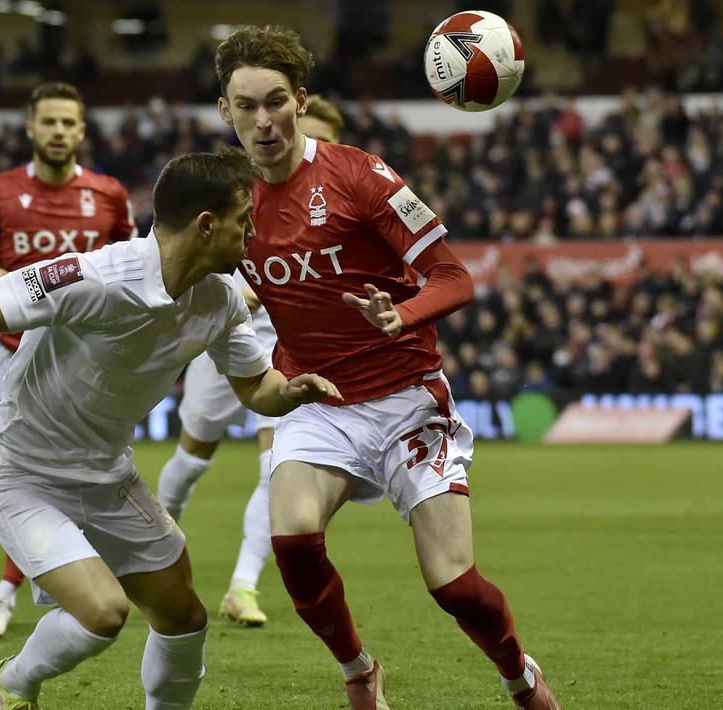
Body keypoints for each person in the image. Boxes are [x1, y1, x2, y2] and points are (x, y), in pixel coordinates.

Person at [0, 149, 341, 710]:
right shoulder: (95, 276)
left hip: (108, 476)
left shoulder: (220, 299)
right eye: (245, 220)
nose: (253, 233)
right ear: (207, 224)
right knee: (103, 612)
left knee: (184, 615)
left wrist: (295, 388)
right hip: (21, 474)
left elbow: (257, 389)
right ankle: (13, 682)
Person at [214, 25, 559, 710]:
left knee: (454, 586)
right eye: (245, 106)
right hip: (318, 399)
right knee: (292, 541)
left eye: (275, 102)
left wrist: (403, 315)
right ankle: (357, 669)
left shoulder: (358, 175)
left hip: (405, 398)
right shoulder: (223, 198)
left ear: (300, 100)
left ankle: (518, 674)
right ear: (224, 112)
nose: (263, 121)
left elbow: (453, 277)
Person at [0, 81, 138, 640]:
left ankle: (26, 585)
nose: (58, 131)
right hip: (13, 353)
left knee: (55, 472)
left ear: (82, 130)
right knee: (27, 470)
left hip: (85, 355)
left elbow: (126, 258)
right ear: (30, 128)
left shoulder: (108, 195)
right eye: (48, 122)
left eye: (67, 123)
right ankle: (13, 589)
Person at [154, 93, 347, 629]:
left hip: (287, 348)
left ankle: (243, 585)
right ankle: (141, 557)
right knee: (193, 455)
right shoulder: (241, 188)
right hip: (224, 333)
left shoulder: (340, 200)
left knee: (275, 466)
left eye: (329, 142)